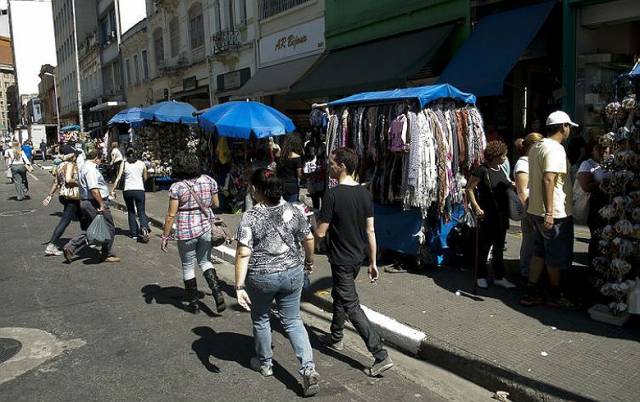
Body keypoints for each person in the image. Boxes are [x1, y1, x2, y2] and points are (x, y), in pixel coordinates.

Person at [234, 168, 320, 396]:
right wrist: (309, 262)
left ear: (256, 190)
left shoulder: (250, 217)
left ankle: (265, 364)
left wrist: (239, 286)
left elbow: (243, 253)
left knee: (261, 319)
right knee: (293, 321)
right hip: (293, 272)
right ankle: (308, 368)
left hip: (261, 278)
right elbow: (308, 238)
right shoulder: (295, 210)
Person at [315, 147, 394, 377]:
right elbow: (370, 231)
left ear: (342, 166)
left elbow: (320, 233)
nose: (329, 166)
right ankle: (336, 336)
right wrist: (372, 261)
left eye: (332, 163)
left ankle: (380, 354)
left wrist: (310, 224)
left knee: (350, 304)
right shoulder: (364, 194)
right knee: (340, 296)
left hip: (340, 259)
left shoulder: (332, 195)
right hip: (356, 259)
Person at [521, 111, 577, 308]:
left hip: (536, 211)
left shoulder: (537, 147)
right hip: (554, 214)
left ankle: (531, 291)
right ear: (563, 127)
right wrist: (550, 213)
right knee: (555, 256)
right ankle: (555, 295)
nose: (570, 130)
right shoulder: (555, 149)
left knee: (539, 253)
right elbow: (548, 178)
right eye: (569, 126)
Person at [160, 152, 226, 314]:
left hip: (186, 231)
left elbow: (171, 215)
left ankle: (194, 304)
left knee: (188, 265)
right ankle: (217, 293)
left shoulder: (177, 187)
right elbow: (216, 204)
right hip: (205, 228)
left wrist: (165, 236)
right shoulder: (209, 180)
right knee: (205, 261)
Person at [465, 140, 517, 289]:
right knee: (484, 247)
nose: (505, 158)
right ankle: (480, 275)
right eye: (504, 155)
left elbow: (508, 184)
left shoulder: (501, 169)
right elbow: (469, 189)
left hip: (502, 214)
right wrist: (476, 207)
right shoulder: (482, 170)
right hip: (488, 215)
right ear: (496, 156)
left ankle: (499, 276)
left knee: (499, 247)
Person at [63, 149, 120, 263]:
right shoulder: (90, 170)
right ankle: (106, 253)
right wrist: (101, 204)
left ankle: (71, 247)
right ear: (96, 158)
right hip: (93, 202)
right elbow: (93, 188)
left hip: (86, 201)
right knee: (108, 228)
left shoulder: (83, 167)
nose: (101, 162)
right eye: (100, 159)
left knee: (93, 228)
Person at [42, 147, 83, 256]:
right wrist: (80, 182)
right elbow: (69, 180)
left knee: (83, 216)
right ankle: (52, 244)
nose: (77, 157)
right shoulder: (69, 165)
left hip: (64, 196)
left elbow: (56, 182)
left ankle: (90, 237)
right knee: (65, 221)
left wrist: (50, 195)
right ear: (71, 155)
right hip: (72, 196)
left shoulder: (60, 165)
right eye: (75, 155)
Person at [514, 133, 545, 277]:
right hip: (530, 209)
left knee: (535, 241)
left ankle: (531, 268)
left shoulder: (534, 162)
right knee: (530, 240)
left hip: (537, 207)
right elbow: (522, 191)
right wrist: (530, 211)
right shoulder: (523, 164)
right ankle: (525, 269)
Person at [577, 140, 610, 263]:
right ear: (593, 151)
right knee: (597, 236)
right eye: (599, 149)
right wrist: (602, 183)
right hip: (596, 205)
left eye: (605, 150)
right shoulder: (588, 164)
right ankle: (594, 265)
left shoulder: (611, 162)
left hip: (611, 204)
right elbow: (585, 186)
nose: (602, 153)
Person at [111, 148, 150, 243]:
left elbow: (119, 177)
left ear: (126, 155)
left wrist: (113, 189)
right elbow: (145, 177)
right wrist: (140, 182)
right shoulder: (142, 163)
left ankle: (134, 234)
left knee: (131, 211)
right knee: (141, 211)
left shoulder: (124, 164)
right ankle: (144, 227)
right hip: (139, 190)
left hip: (128, 190)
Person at [276, 134, 304, 202]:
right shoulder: (297, 157)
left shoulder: (278, 154)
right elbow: (300, 175)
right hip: (292, 187)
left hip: (279, 186)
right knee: (291, 209)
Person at [303, 141, 326, 210]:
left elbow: (325, 170)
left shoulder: (320, 158)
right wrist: (313, 174)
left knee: (324, 205)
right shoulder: (305, 160)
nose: (312, 151)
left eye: (313, 149)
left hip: (322, 185)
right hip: (312, 186)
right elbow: (304, 174)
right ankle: (316, 218)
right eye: (310, 150)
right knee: (316, 205)